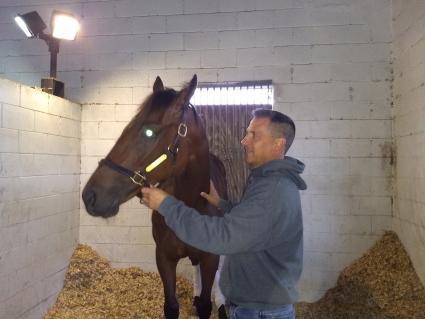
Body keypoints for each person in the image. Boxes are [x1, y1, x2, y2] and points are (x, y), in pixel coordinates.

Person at [141, 109, 307, 319]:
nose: (244, 141)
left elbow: (223, 238)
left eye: (253, 135)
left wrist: (166, 204)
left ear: (278, 144)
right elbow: (256, 225)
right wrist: (222, 205)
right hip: (256, 306)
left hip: (260, 312)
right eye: (247, 133)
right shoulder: (268, 182)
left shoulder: (273, 189)